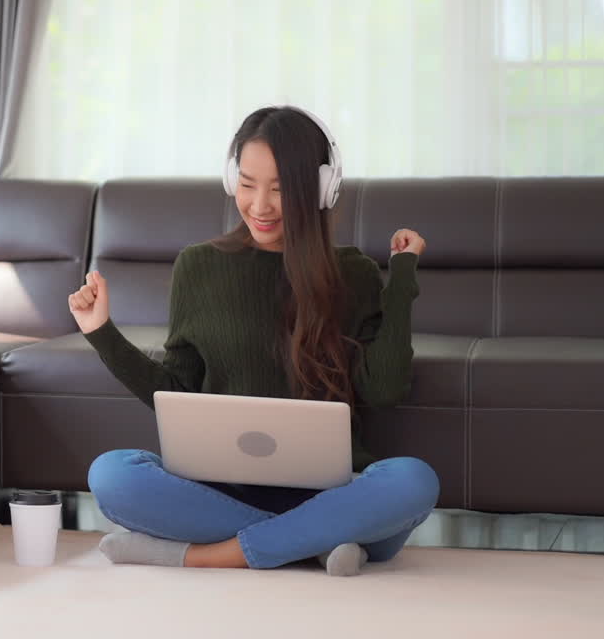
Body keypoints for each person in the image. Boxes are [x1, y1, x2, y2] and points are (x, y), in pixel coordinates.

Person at [67, 106, 439, 576]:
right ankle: (318, 543)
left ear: (321, 190)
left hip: (332, 492)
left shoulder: (354, 273)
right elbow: (176, 391)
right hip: (221, 490)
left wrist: (402, 277)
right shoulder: (198, 267)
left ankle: (209, 554)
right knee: (111, 475)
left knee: (413, 481)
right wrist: (100, 333)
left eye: (281, 189)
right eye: (247, 184)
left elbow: (384, 388)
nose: (259, 205)